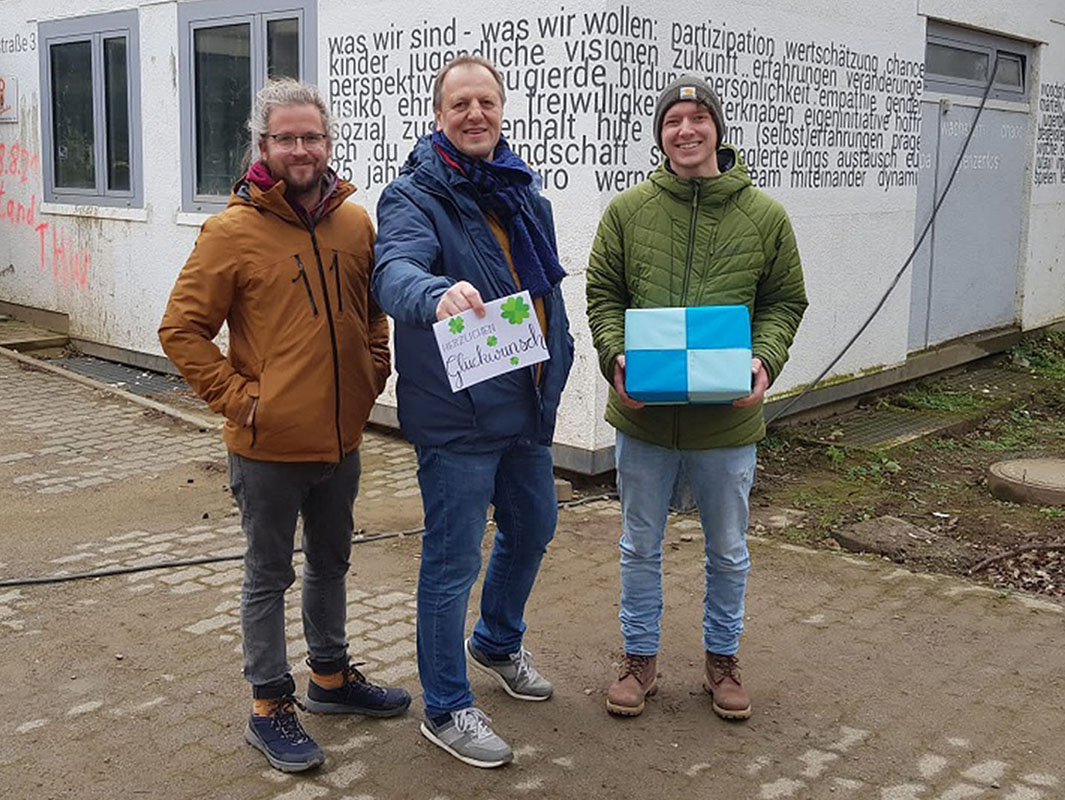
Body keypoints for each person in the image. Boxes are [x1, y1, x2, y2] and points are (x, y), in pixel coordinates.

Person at [159, 79, 410, 773]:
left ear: (328, 144)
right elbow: (181, 330)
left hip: (342, 440)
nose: (301, 149)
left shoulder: (355, 223)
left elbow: (370, 308)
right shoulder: (231, 232)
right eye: (286, 138)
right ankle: (270, 706)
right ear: (262, 146)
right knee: (268, 575)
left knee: (331, 563)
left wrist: (374, 366)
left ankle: (330, 679)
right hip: (268, 448)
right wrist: (242, 402)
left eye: (312, 137)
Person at [371, 55, 574, 768]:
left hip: (524, 402)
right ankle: (447, 706)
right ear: (438, 116)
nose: (474, 114)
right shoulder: (413, 197)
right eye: (460, 104)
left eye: (485, 101)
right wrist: (432, 294)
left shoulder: (523, 194)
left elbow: (545, 290)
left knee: (535, 526)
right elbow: (394, 269)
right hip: (458, 417)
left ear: (501, 109)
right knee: (453, 559)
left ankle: (496, 641)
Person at [586, 75, 808, 721]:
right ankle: (639, 659)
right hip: (645, 416)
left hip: (726, 423)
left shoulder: (764, 215)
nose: (686, 129)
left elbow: (783, 301)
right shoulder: (627, 212)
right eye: (673, 120)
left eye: (697, 117)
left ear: (717, 127)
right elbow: (603, 294)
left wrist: (766, 358)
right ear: (660, 134)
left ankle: (722, 660)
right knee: (638, 546)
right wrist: (614, 352)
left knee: (729, 551)